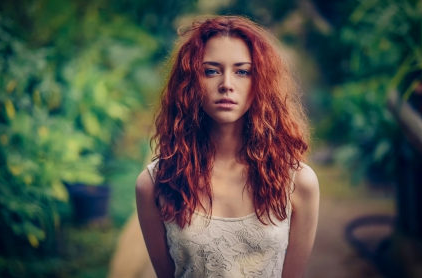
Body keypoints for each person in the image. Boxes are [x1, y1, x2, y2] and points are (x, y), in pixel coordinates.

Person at [136, 15, 319, 278]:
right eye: (211, 70)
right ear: (189, 82)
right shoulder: (155, 183)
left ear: (261, 82)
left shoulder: (298, 181)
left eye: (242, 71)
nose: (227, 85)